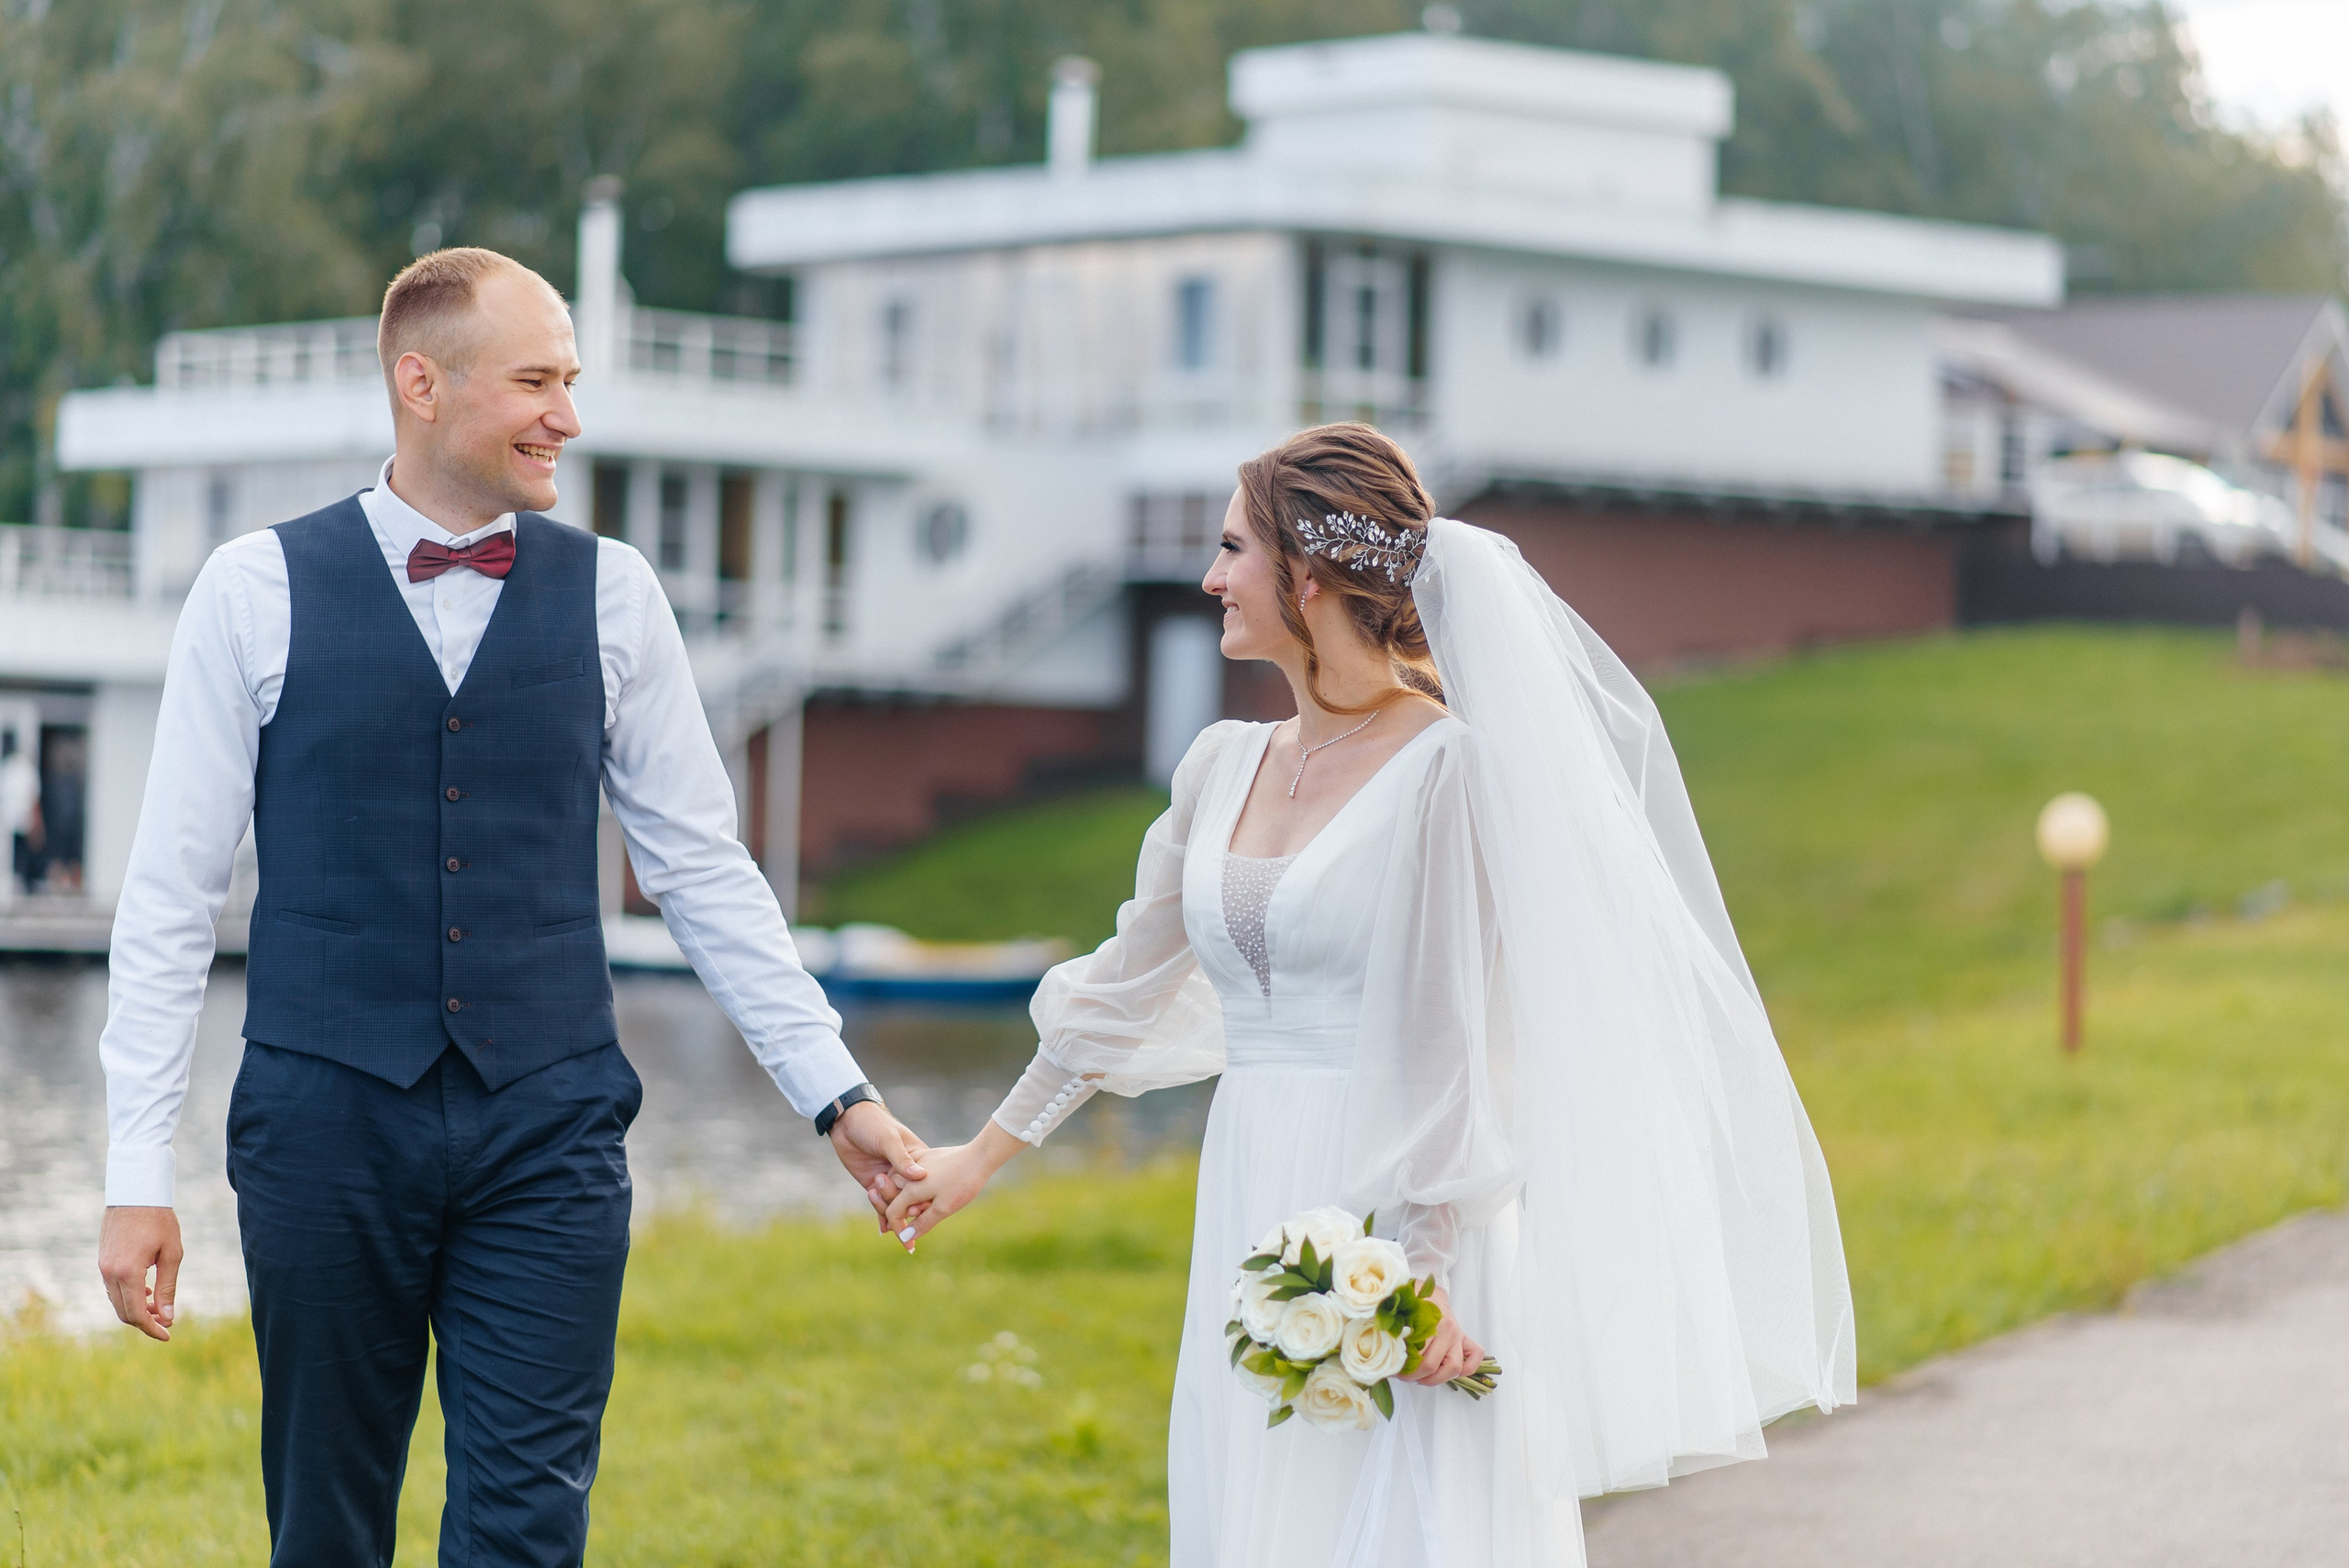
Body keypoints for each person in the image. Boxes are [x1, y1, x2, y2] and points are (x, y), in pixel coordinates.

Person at [878, 424, 1855, 1566]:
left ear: (1308, 574)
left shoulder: (1447, 770)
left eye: (1231, 547)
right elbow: (1122, 985)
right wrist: (975, 1158)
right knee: (1258, 1511)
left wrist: (1415, 1279)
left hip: (1392, 1207)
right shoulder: (1217, 765)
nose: (1208, 577)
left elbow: (1453, 1042)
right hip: (1250, 1185)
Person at [95, 246, 930, 1567]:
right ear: (422, 383)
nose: (570, 416)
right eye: (538, 380)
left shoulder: (615, 593)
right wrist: (135, 1175)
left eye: (573, 380)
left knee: (530, 1527)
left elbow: (705, 870)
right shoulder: (250, 591)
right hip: (323, 1126)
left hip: (547, 1126)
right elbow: (167, 904)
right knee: (325, 1524)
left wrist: (837, 1092)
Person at [0, 728, 39, 903]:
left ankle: (19, 885)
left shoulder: (11, 769)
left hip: (15, 822)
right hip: (17, 822)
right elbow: (33, 799)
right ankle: (18, 885)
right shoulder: (24, 770)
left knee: (19, 855)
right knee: (18, 855)